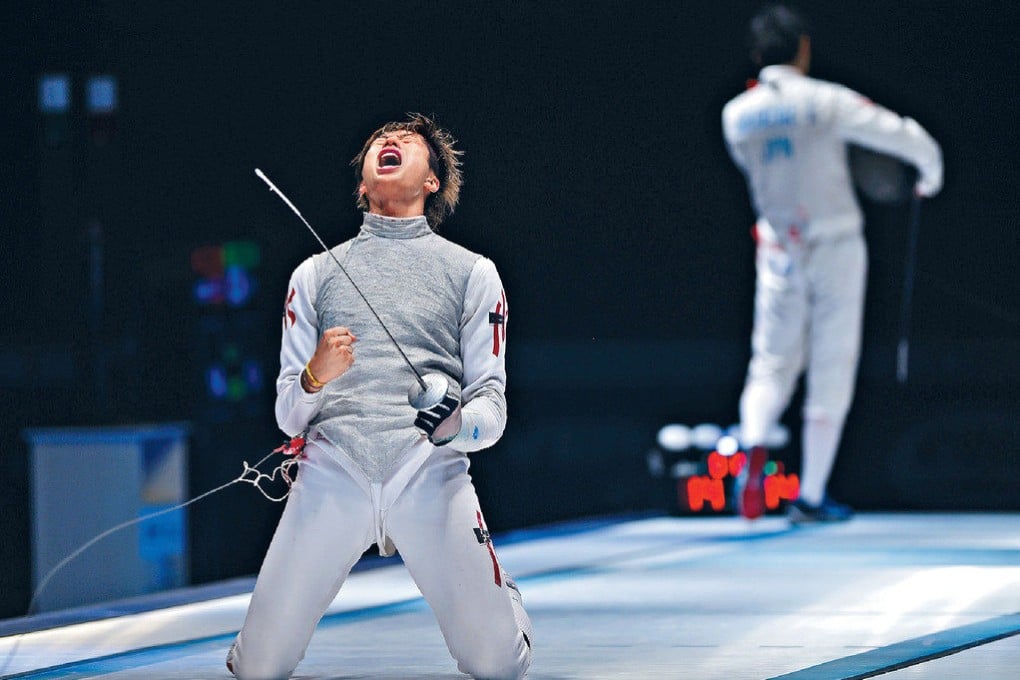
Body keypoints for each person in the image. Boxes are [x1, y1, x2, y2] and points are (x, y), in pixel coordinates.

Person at [227, 113, 532, 679]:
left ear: (432, 182)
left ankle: (502, 599)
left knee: (498, 666)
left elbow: (493, 406)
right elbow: (288, 414)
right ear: (363, 185)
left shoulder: (474, 273)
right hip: (331, 471)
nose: (388, 143)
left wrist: (455, 424)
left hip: (429, 469)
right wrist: (316, 375)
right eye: (377, 143)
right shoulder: (313, 274)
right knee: (257, 669)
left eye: (407, 142)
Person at [721, 5, 943, 523]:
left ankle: (754, 447)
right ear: (802, 49)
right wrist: (928, 176)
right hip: (837, 244)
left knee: (771, 362)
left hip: (778, 249)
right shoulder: (825, 101)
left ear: (758, 56)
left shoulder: (736, 116)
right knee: (831, 364)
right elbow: (906, 136)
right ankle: (812, 494)